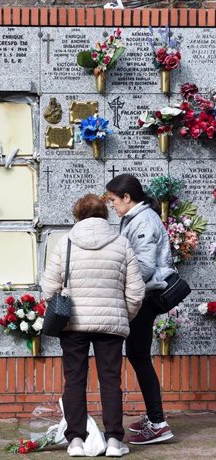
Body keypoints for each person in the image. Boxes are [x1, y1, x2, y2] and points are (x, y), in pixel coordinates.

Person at [41, 194, 145, 458]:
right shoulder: (121, 244)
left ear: (77, 215)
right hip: (110, 325)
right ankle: (113, 441)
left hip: (73, 324)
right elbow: (135, 291)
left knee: (74, 380)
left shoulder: (64, 244)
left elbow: (49, 288)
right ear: (104, 215)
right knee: (111, 381)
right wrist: (122, 315)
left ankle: (75, 441)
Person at [105, 174, 176, 445]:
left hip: (145, 297)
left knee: (140, 358)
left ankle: (158, 423)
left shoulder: (143, 220)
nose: (111, 205)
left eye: (113, 199)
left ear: (126, 197)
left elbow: (145, 267)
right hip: (141, 296)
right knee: (139, 357)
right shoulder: (134, 218)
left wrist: (116, 282)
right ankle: (155, 417)